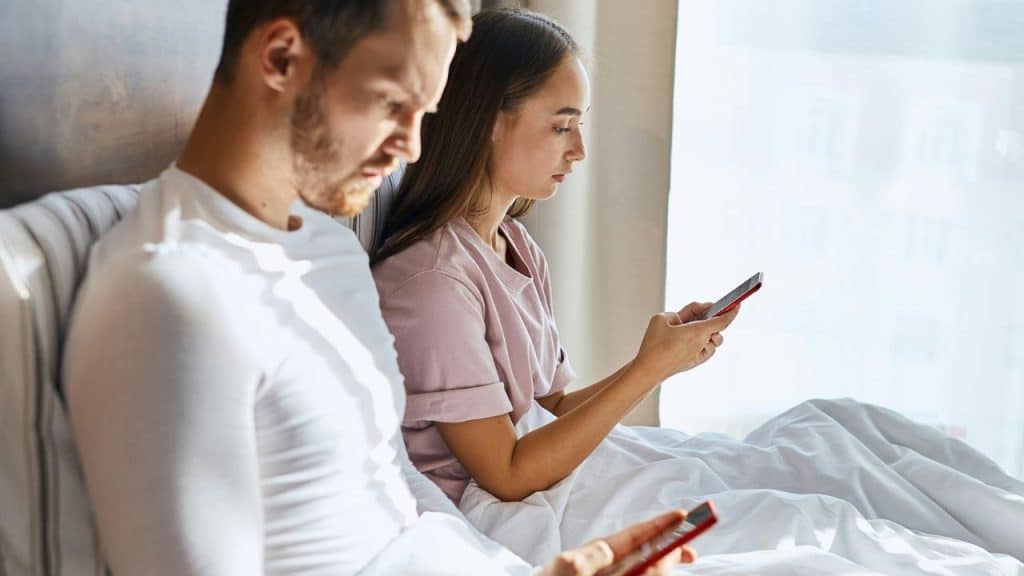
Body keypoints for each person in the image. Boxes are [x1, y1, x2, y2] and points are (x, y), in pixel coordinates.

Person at [63, 1, 694, 574]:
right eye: (393, 104)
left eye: (426, 111)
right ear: (282, 59)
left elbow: (396, 493)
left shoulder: (330, 253)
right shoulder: (170, 297)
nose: (413, 146)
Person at [372, 7, 738, 505]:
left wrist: (659, 361)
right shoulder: (432, 283)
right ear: (488, 124)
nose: (580, 150)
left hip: (535, 485)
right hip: (480, 510)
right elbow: (507, 472)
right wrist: (645, 372)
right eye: (562, 127)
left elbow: (552, 409)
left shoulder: (515, 245)